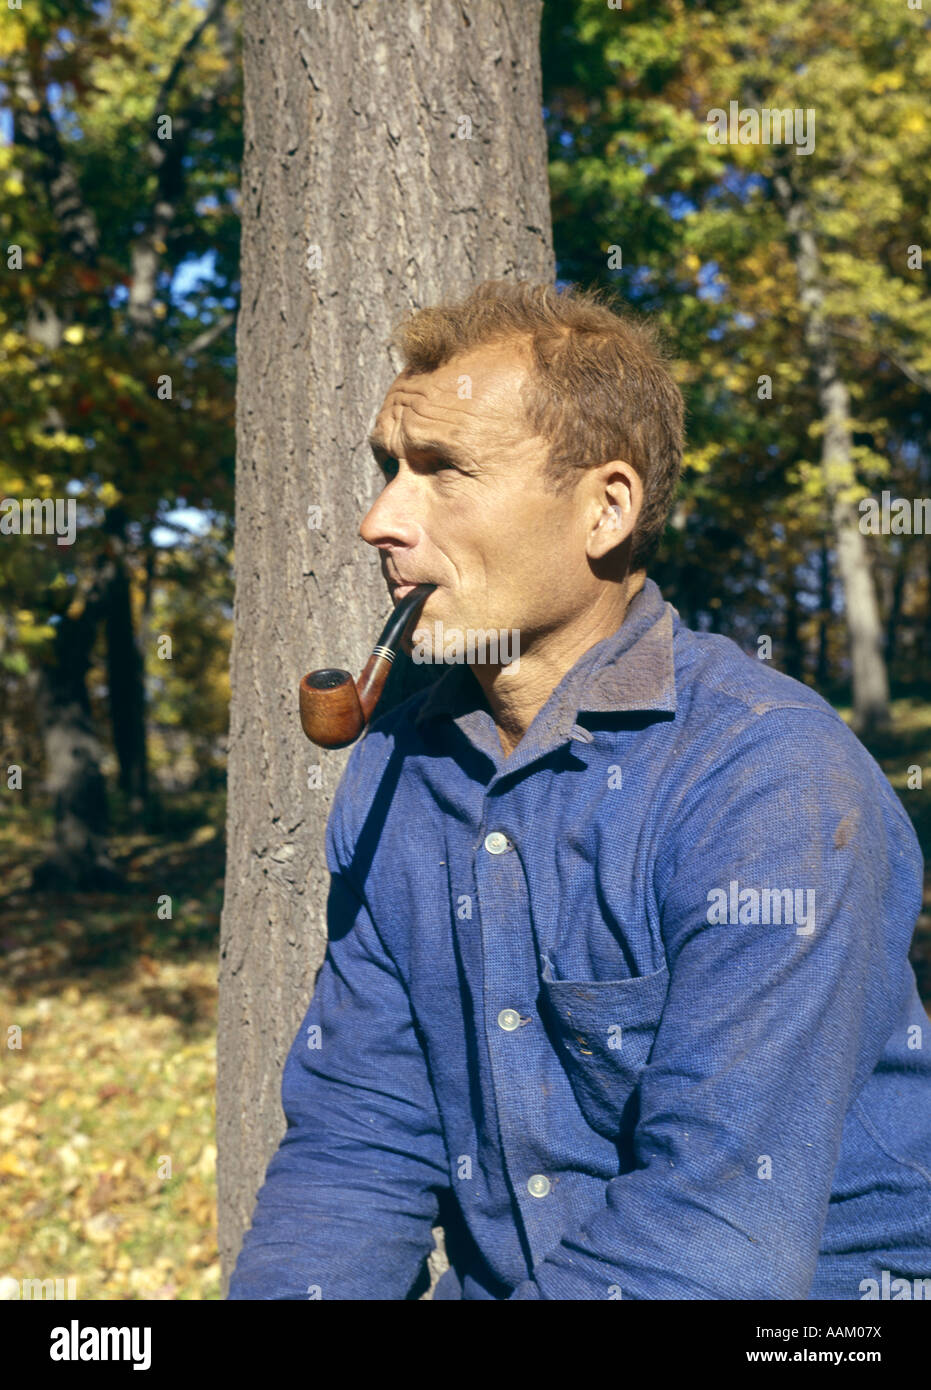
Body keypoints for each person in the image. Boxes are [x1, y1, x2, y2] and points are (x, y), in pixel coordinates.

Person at [229, 279, 931, 1300]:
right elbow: (359, 1141)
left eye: (443, 472)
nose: (380, 519)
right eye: (390, 470)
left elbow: (714, 1235)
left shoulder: (770, 781)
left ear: (604, 508)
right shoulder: (398, 761)